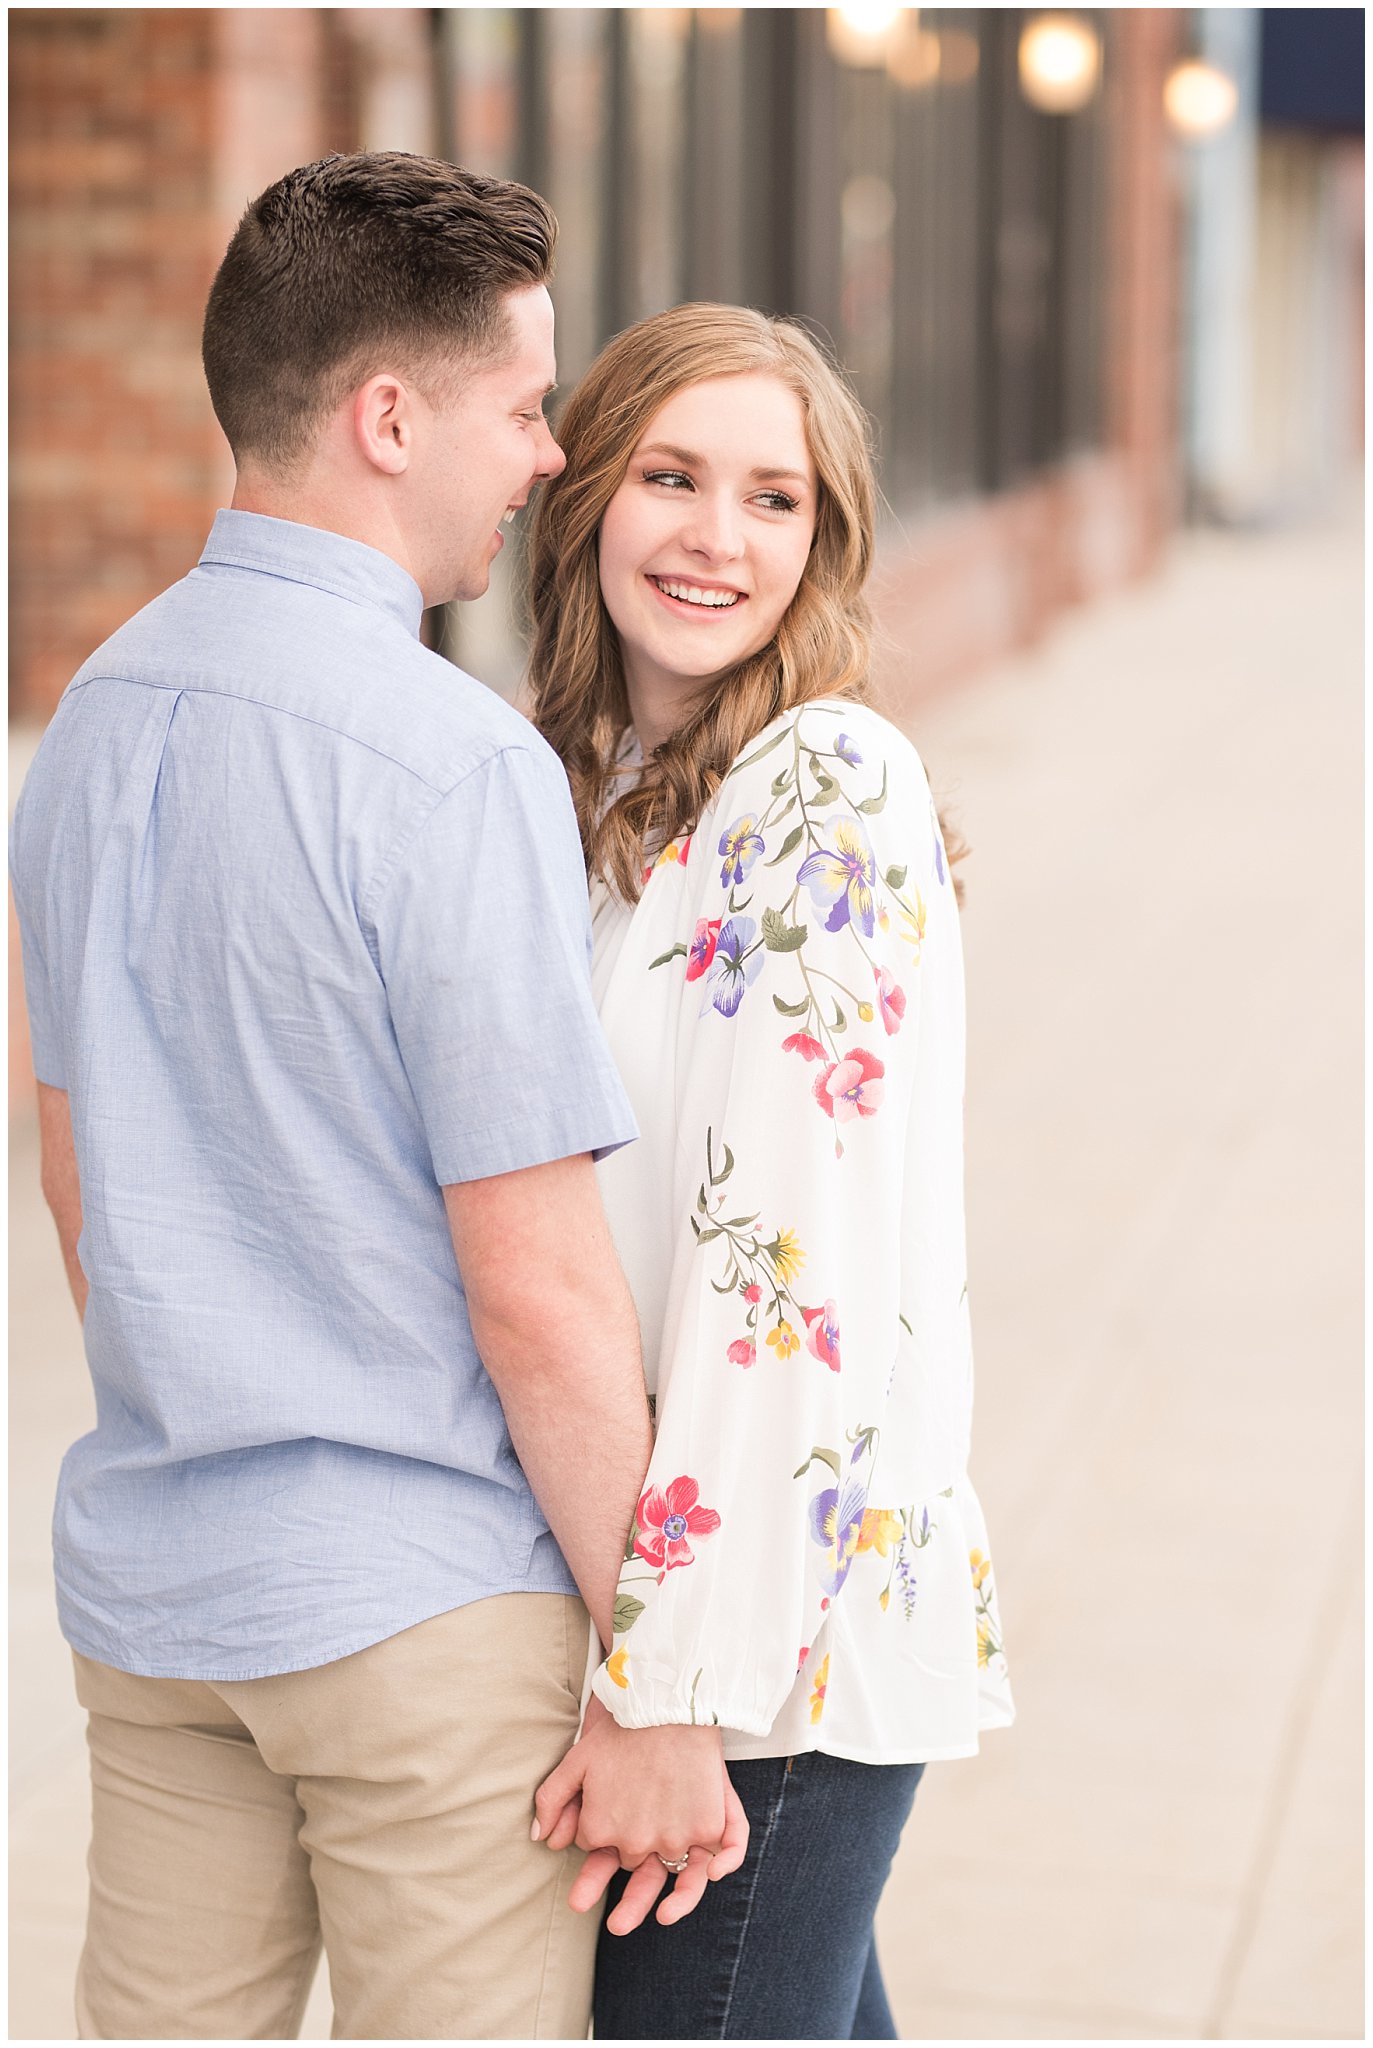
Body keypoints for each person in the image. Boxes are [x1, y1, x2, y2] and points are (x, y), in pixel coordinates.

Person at [8, 155, 743, 2043]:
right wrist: (653, 1676)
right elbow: (539, 1287)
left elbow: (77, 1171)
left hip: (163, 1599)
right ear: (388, 415)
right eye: (521, 405)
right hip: (424, 1618)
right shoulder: (447, 764)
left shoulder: (87, 722)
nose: (548, 456)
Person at [526, 304, 1015, 2040]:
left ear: (824, 540)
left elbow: (778, 1284)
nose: (715, 538)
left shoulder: (824, 780)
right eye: (670, 477)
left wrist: (668, 1691)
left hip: (766, 1664)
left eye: (771, 498)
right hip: (705, 1621)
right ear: (586, 493)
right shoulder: (620, 794)